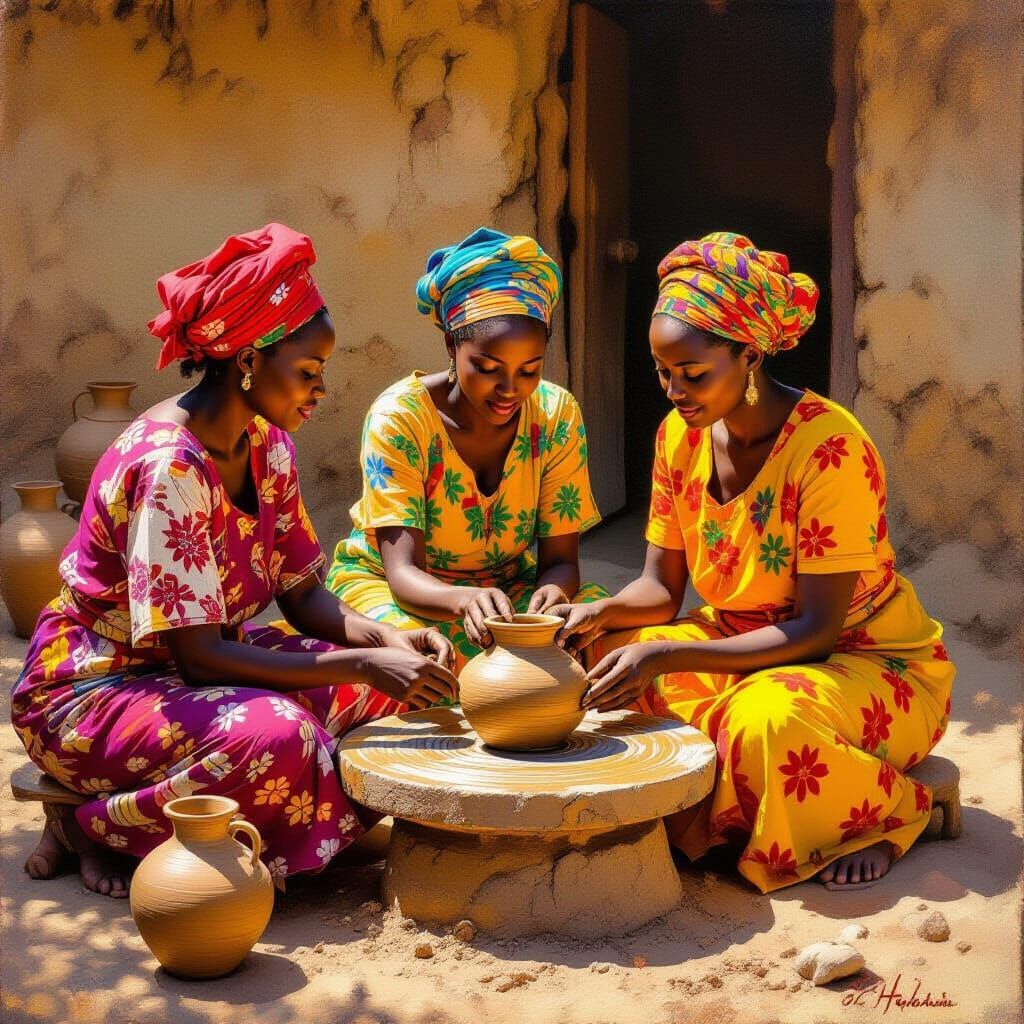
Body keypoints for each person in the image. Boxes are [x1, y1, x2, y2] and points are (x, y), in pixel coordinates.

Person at [11, 224, 457, 898]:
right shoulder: (170, 469)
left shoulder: (267, 444)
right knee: (280, 738)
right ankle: (91, 825)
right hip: (93, 687)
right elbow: (198, 658)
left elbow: (304, 595)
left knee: (372, 694)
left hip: (193, 670)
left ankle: (252, 827)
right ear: (248, 360)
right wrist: (364, 659)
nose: (320, 391)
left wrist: (386, 641)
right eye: (307, 372)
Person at [552, 231, 955, 893]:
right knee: (603, 660)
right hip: (740, 640)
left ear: (749, 353)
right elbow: (659, 589)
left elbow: (817, 632)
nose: (674, 390)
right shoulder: (677, 439)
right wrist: (593, 613)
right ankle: (736, 808)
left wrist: (668, 657)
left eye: (693, 373)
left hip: (865, 663)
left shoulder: (828, 449)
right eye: (663, 372)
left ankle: (881, 817)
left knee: (768, 721)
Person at [326, 227, 606, 671]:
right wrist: (463, 600)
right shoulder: (400, 418)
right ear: (451, 347)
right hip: (399, 591)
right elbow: (401, 575)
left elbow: (560, 562)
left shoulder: (555, 415)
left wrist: (554, 597)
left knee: (600, 636)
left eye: (529, 370)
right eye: (489, 368)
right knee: (421, 659)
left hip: (507, 592)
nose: (510, 389)